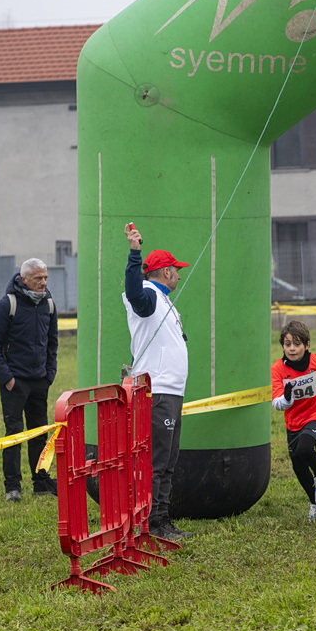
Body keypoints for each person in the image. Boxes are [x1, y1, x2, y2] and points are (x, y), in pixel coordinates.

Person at [123, 224, 193, 541]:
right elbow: (135, 294)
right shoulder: (149, 293)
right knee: (158, 461)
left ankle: (161, 518)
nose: (178, 275)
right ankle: (154, 521)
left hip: (171, 392)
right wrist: (134, 253)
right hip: (160, 391)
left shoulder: (163, 300)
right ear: (166, 272)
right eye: (175, 270)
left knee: (168, 461)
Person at [0, 256, 59, 502]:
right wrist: (8, 379)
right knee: (14, 434)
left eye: (45, 277)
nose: (43, 282)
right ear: (24, 279)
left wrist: (49, 374)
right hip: (15, 382)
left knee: (39, 433)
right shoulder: (7, 305)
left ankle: (41, 483)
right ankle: (13, 487)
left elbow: (52, 343)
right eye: (38, 278)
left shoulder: (49, 304)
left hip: (40, 380)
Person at [269, 320, 316, 522]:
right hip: (294, 422)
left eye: (297, 344)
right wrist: (287, 398)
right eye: (287, 344)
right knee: (297, 465)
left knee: (304, 449)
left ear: (307, 345)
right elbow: (277, 403)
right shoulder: (278, 369)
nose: (292, 349)